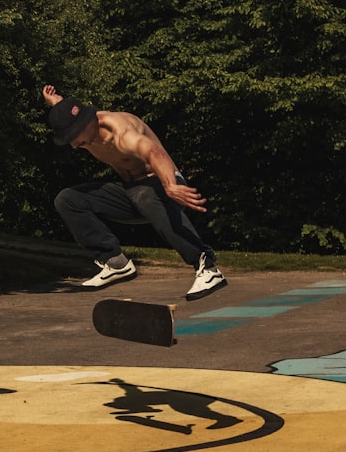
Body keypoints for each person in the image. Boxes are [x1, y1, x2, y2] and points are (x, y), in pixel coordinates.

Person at [42, 85, 226, 300]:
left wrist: (170, 185)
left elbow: (153, 152)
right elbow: (71, 112)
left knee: (143, 194)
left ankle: (207, 267)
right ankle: (115, 262)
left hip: (164, 186)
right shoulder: (83, 125)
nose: (75, 145)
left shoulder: (122, 132)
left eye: (75, 137)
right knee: (68, 199)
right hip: (131, 193)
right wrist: (56, 103)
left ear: (88, 122)